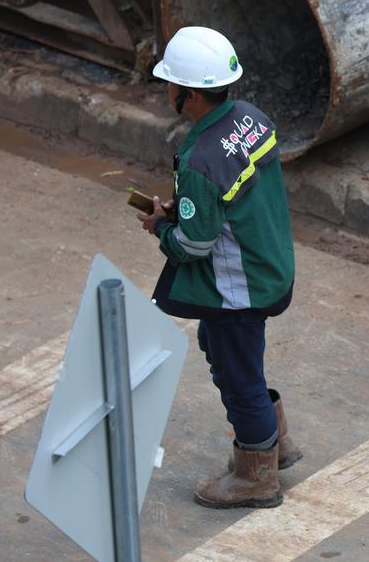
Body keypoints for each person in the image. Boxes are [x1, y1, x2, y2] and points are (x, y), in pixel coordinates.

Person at [138, 26, 299, 509]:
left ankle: (256, 478)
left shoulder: (200, 160)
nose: (167, 89)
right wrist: (187, 207)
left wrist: (161, 227)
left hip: (237, 289)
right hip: (270, 268)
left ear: (188, 93)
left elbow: (193, 245)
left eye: (170, 82)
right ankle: (277, 443)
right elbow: (232, 198)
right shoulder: (251, 119)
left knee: (237, 375)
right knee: (225, 348)